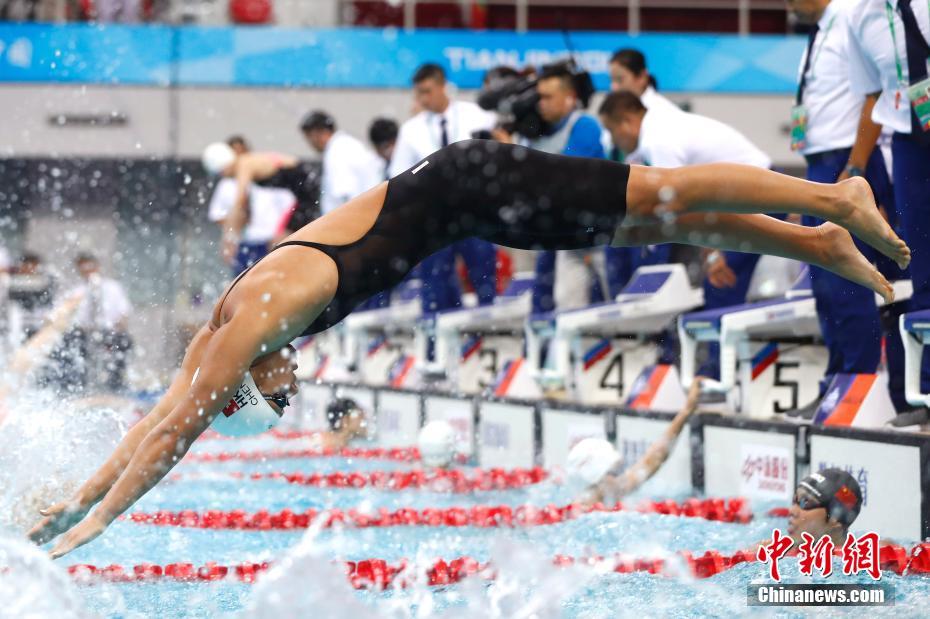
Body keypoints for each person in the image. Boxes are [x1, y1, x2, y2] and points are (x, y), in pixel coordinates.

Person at [30, 139, 909, 558]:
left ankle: (833, 198)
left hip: (467, 185)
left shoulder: (256, 316)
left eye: (276, 392)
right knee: (646, 218)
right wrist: (73, 501)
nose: (291, 383)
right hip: (466, 208)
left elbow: (174, 434)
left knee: (660, 194)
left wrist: (100, 526)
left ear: (245, 386)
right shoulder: (231, 339)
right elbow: (151, 426)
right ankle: (816, 243)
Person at [599, 91, 784, 380]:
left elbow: (684, 208)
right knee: (718, 286)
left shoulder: (658, 140)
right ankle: (716, 371)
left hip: (760, 195)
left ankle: (718, 379)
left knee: (721, 283)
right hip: (750, 194)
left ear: (627, 121)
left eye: (612, 131)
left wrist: (711, 253)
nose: (614, 141)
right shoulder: (658, 130)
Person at [785, 0, 902, 417]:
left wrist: (856, 165)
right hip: (821, 164)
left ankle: (859, 382)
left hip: (848, 164)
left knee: (849, 284)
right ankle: (837, 380)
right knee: (824, 288)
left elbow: (876, 91)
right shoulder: (818, 33)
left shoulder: (852, 15)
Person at [847, 0, 930, 418]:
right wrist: (855, 169)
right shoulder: (860, 14)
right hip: (908, 142)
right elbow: (872, 95)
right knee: (921, 269)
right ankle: (929, 393)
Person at [515, 62, 624, 314]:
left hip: (600, 233)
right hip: (565, 234)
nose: (540, 103)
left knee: (616, 301)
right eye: (539, 97)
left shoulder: (584, 126)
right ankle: (572, 353)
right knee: (566, 304)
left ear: (569, 98)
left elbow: (562, 179)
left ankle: (628, 349)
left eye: (548, 97)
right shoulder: (533, 133)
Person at [389, 63, 499, 314]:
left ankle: (490, 336)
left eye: (427, 91)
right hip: (434, 220)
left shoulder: (477, 115)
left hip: (475, 214)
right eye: (419, 93)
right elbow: (399, 176)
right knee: (435, 290)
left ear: (442, 87)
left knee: (485, 282)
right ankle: (435, 347)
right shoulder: (411, 130)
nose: (422, 98)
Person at [575, 378, 704, 505]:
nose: (619, 478)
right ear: (598, 480)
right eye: (613, 473)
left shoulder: (612, 492)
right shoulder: (582, 510)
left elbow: (654, 459)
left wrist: (686, 410)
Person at [201, 142, 320, 265]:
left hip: (307, 190)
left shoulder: (244, 164)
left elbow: (239, 203)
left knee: (279, 245)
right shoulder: (247, 162)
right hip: (304, 190)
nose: (225, 177)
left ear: (224, 167)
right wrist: (230, 236)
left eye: (220, 173)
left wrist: (229, 240)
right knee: (279, 247)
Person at [207, 137, 297, 275]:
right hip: (246, 243)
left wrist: (282, 233)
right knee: (243, 287)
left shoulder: (258, 174)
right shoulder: (228, 183)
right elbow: (218, 214)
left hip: (270, 240)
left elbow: (290, 206)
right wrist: (233, 231)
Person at [66, 253, 133, 393]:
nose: (87, 271)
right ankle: (80, 387)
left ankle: (116, 385)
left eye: (90, 266)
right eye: (83, 267)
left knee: (123, 341)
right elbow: (73, 320)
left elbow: (124, 314)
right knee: (73, 343)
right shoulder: (77, 292)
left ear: (97, 267)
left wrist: (117, 329)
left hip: (111, 331)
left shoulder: (113, 287)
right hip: (85, 333)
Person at [751, 468, 863, 551]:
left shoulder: (867, 563)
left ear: (835, 519)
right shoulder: (766, 553)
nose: (792, 511)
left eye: (805, 502)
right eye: (794, 500)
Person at [300, 111, 384, 217]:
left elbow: (343, 192)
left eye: (309, 137)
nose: (310, 143)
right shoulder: (346, 145)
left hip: (353, 219)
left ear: (319, 133)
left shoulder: (336, 152)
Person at [8, 252, 57, 339]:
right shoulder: (13, 282)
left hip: (40, 324)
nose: (30, 269)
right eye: (26, 266)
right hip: (20, 326)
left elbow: (49, 302)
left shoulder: (45, 280)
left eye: (33, 266)